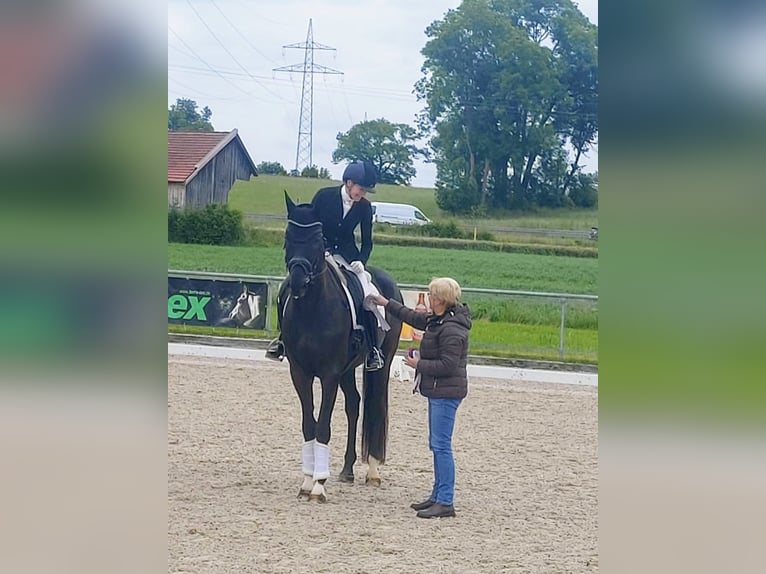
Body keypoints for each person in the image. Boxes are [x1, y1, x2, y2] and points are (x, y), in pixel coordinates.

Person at [266, 160, 386, 371]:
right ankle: (283, 340)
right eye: (361, 188)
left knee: (368, 295)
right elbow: (311, 226)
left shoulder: (365, 207)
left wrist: (361, 261)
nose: (363, 193)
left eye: (366, 190)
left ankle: (373, 349)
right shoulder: (324, 196)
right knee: (287, 287)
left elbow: (367, 241)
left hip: (348, 258)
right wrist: (317, 250)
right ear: (349, 183)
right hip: (320, 253)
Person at [366, 277, 471, 519]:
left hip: (446, 392)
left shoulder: (452, 329)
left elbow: (448, 364)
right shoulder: (440, 320)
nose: (429, 299)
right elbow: (414, 318)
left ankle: (445, 500)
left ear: (441, 300)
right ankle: (437, 494)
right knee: (436, 444)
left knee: (441, 446)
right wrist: (386, 302)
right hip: (438, 390)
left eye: (432, 295)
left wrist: (418, 364)